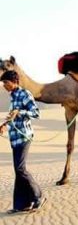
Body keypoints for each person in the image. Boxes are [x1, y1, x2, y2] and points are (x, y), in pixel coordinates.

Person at [0, 70, 46, 214]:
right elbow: (13, 118)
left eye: (6, 83)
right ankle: (22, 204)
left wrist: (20, 112)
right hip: (15, 138)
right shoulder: (13, 97)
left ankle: (39, 196)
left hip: (24, 137)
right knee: (18, 171)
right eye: (3, 83)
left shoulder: (25, 94)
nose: (4, 86)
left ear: (15, 82)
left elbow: (36, 113)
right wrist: (3, 125)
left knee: (21, 169)